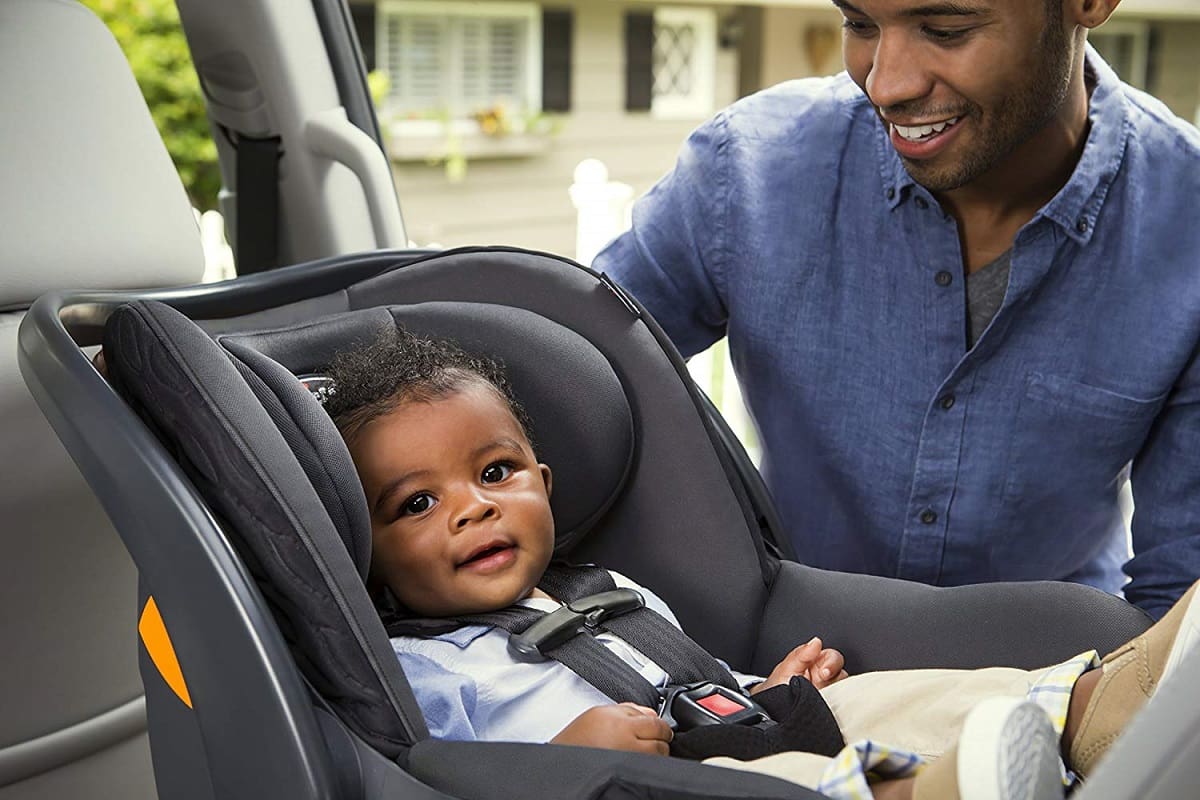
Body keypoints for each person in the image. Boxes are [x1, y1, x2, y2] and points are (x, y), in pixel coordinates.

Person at [320, 327, 1200, 800]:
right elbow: (436, 778)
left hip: (737, 732)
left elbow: (694, 682)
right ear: (370, 551)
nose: (473, 505)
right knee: (782, 787)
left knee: (884, 696)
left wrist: (768, 688)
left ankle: (1097, 704)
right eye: (417, 504)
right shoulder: (426, 665)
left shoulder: (609, 591)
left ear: (544, 484)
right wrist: (560, 759)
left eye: (496, 472)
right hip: (645, 789)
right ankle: (927, 795)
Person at [591, 0, 1200, 619]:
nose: (887, 84)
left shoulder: (1189, 222)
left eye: (946, 30)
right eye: (860, 24)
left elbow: (1182, 596)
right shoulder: (746, 169)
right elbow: (556, 377)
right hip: (782, 665)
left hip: (1052, 679)